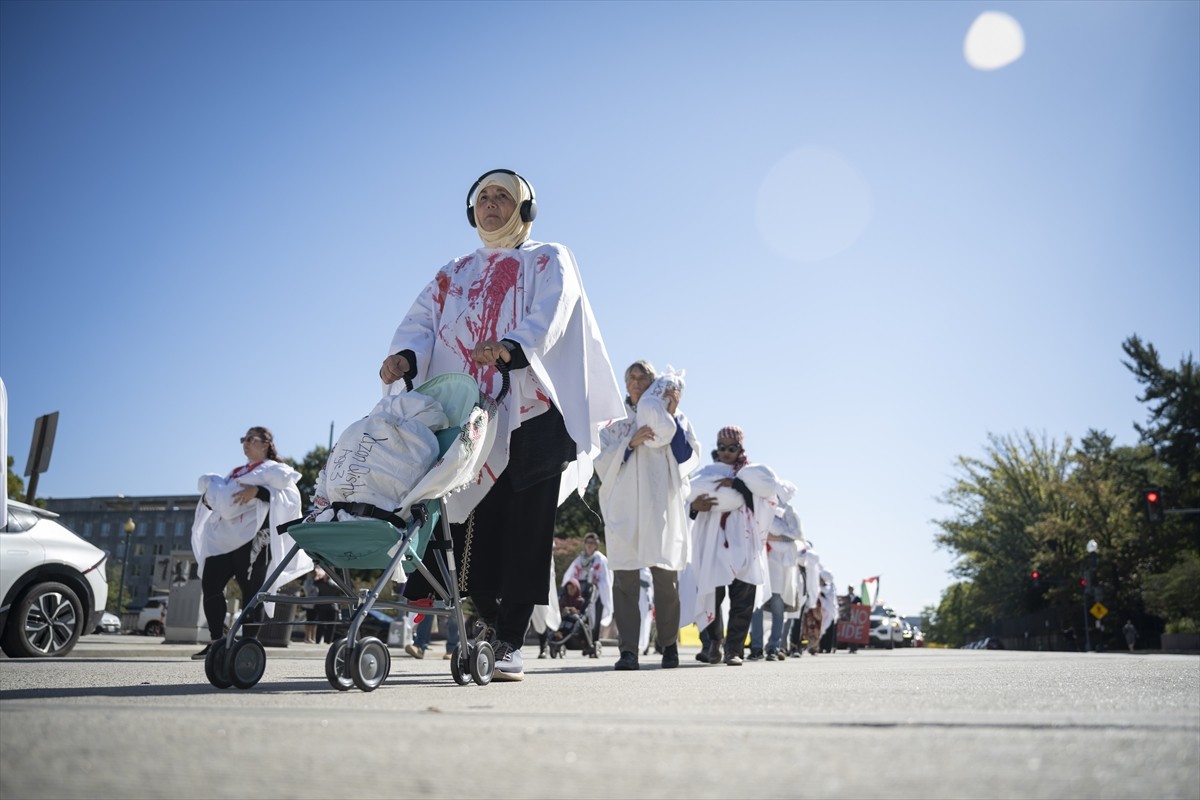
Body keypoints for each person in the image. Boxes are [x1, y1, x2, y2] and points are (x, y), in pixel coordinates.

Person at [379, 169, 623, 681]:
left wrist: (514, 347)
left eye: (503, 197)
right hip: (469, 416)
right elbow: (422, 321)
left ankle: (511, 639)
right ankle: (488, 625)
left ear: (524, 209)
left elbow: (553, 311)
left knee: (526, 527)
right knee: (471, 528)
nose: (491, 204)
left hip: (532, 411)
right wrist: (404, 355)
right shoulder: (454, 271)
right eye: (484, 197)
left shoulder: (548, 258)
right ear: (473, 211)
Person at [596, 361, 700, 671]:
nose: (637, 381)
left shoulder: (672, 419)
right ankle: (628, 651)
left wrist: (671, 415)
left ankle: (669, 645)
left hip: (659, 509)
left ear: (655, 384)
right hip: (625, 510)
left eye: (644, 377)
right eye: (632, 377)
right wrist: (630, 443)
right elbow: (600, 463)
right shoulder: (615, 422)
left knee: (665, 581)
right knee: (625, 581)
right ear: (625, 384)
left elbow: (686, 458)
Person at [190, 427, 311, 660]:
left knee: (252, 591)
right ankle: (219, 640)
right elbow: (221, 496)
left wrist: (258, 491)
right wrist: (210, 499)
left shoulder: (276, 471)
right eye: (243, 439)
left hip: (255, 537)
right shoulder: (236, 472)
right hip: (224, 537)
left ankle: (248, 646)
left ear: (266, 444)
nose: (245, 443)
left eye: (250, 439)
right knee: (211, 584)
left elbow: (291, 499)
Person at [681, 425, 784, 666]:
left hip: (744, 542)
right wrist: (696, 507)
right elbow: (686, 503)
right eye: (722, 447)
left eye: (732, 447)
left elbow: (765, 505)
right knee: (711, 594)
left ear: (740, 448)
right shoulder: (706, 474)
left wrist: (737, 486)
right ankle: (713, 644)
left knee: (743, 598)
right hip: (713, 543)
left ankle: (734, 650)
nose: (726, 452)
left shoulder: (751, 476)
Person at [562, 532, 614, 657]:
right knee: (582, 617)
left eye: (592, 543)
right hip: (582, 593)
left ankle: (594, 642)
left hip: (596, 593)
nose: (590, 545)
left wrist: (597, 583)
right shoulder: (580, 559)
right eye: (587, 542)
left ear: (596, 545)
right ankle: (585, 642)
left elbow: (607, 579)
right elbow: (570, 575)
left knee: (594, 620)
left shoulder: (601, 559)